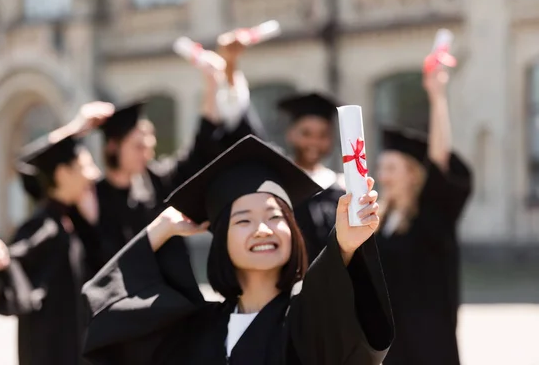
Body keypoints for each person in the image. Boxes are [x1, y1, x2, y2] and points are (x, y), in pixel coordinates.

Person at [81, 135, 393, 365]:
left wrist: (344, 245)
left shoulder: (303, 318)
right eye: (243, 220)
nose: (262, 229)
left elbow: (330, 306)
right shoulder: (197, 329)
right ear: (221, 241)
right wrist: (159, 229)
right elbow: (107, 313)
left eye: (274, 217)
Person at [92, 35, 265, 260]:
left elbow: (201, 147)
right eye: (138, 146)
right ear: (113, 147)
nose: (148, 153)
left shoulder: (157, 182)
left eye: (149, 144)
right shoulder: (93, 197)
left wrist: (212, 83)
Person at [0, 103, 114, 365]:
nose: (94, 174)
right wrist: (0, 259)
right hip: (51, 353)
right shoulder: (43, 225)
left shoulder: (71, 220)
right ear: (63, 174)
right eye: (86, 166)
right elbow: (15, 259)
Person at [375, 69, 473, 365]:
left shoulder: (433, 217)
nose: (383, 176)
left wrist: (437, 95)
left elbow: (439, 159)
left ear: (413, 175)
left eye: (392, 168)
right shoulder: (381, 222)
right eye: (381, 168)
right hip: (391, 346)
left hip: (428, 345)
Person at [277, 92, 346, 263]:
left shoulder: (339, 188)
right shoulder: (279, 183)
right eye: (306, 134)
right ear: (290, 134)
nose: (314, 142)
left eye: (322, 135)